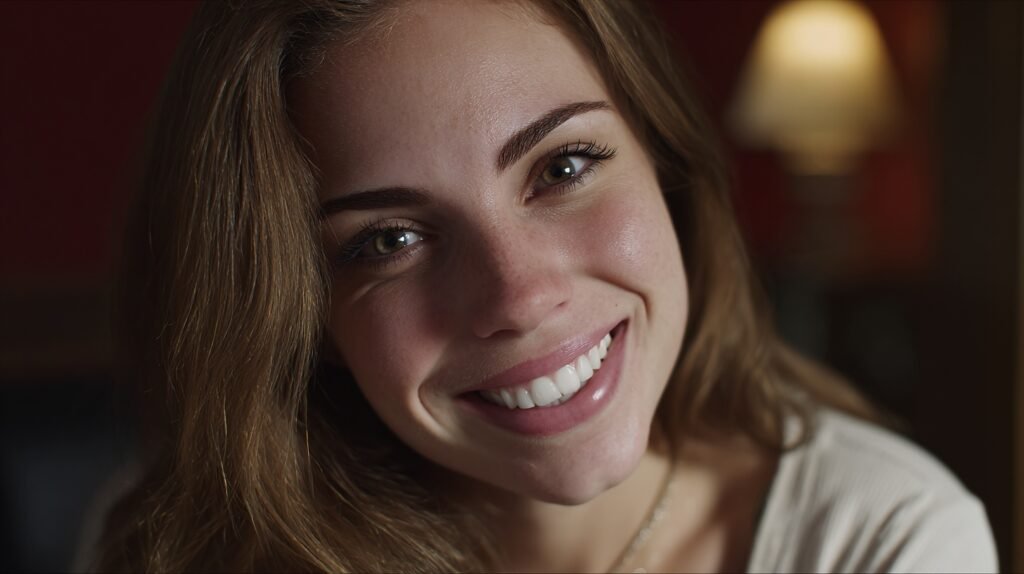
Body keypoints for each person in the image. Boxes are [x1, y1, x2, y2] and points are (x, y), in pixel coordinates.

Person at [92, 0, 998, 571]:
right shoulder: (185, 544)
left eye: (563, 167)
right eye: (391, 239)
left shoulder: (884, 541)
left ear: (665, 169)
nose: (518, 298)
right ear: (301, 317)